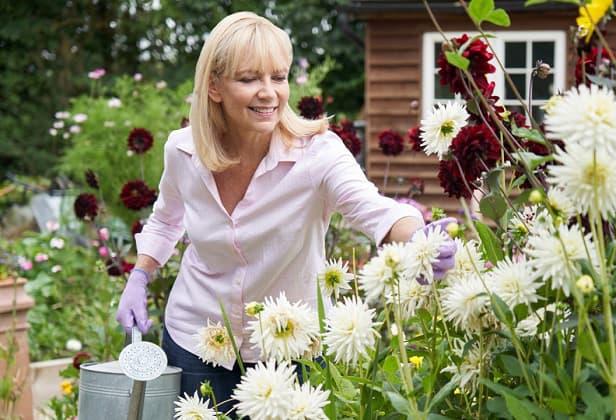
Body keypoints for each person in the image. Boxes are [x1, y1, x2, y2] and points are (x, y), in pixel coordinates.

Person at [116, 11, 456, 414]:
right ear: (214, 87)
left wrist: (417, 239)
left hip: (289, 347)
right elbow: (166, 219)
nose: (269, 93)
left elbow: (373, 209)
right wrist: (140, 275)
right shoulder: (183, 150)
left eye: (278, 77)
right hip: (195, 342)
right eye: (249, 79)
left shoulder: (317, 154)